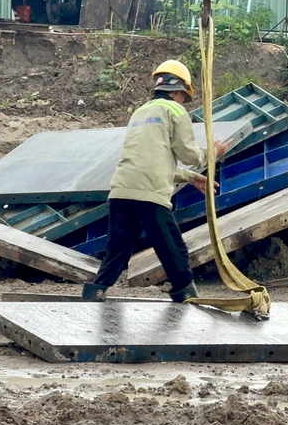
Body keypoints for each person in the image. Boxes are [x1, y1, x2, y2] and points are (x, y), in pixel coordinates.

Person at [81, 59, 228, 303]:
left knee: (117, 250)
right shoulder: (175, 111)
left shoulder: (140, 112)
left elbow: (151, 158)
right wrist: (212, 154)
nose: (184, 101)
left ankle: (95, 290)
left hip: (122, 190)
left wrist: (190, 178)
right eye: (184, 96)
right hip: (149, 193)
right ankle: (185, 291)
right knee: (171, 245)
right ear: (179, 90)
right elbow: (188, 154)